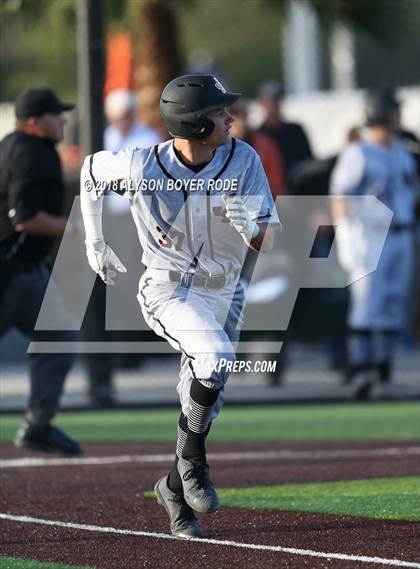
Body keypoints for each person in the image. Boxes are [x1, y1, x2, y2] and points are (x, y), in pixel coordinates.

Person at [80, 74, 279, 538]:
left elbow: (269, 239)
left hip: (224, 293)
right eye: (217, 112)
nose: (230, 117)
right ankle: (191, 464)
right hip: (169, 290)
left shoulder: (243, 158)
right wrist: (94, 242)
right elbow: (90, 171)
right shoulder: (141, 165)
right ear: (192, 124)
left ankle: (173, 486)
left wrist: (252, 227)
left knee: (206, 405)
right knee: (215, 359)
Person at [0, 87, 82, 454]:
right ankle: (37, 424)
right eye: (55, 115)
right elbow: (26, 219)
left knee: (59, 336)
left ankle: (38, 425)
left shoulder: (12, 144)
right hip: (12, 271)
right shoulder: (33, 152)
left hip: (27, 271)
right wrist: (74, 227)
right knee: (59, 338)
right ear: (35, 122)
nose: (62, 120)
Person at [330, 88, 418, 399]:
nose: (399, 114)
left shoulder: (403, 152)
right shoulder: (360, 153)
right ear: (380, 112)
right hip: (370, 235)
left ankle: (384, 370)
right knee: (367, 303)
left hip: (403, 232)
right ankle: (361, 372)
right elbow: (340, 197)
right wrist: (345, 236)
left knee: (393, 303)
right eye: (394, 109)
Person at [85, 89, 164, 407]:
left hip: (137, 220)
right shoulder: (104, 136)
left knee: (135, 283)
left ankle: (132, 350)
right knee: (114, 286)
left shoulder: (146, 136)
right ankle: (117, 351)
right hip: (112, 220)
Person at [257, 79, 313, 193]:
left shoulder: (296, 130)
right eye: (269, 100)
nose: (273, 105)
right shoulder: (258, 137)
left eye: (276, 100)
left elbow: (309, 163)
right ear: (261, 103)